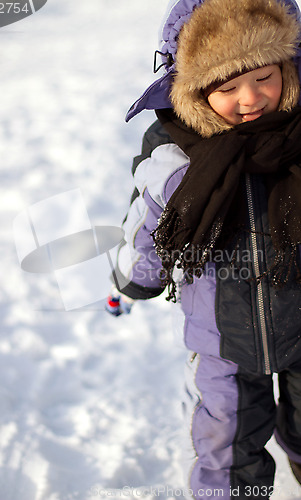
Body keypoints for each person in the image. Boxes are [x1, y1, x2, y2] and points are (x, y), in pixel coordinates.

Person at [106, 0, 301, 498]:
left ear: (288, 67)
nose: (251, 98)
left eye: (264, 77)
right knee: (230, 450)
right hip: (224, 344)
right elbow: (149, 230)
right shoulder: (176, 161)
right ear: (195, 91)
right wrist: (136, 278)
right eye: (228, 87)